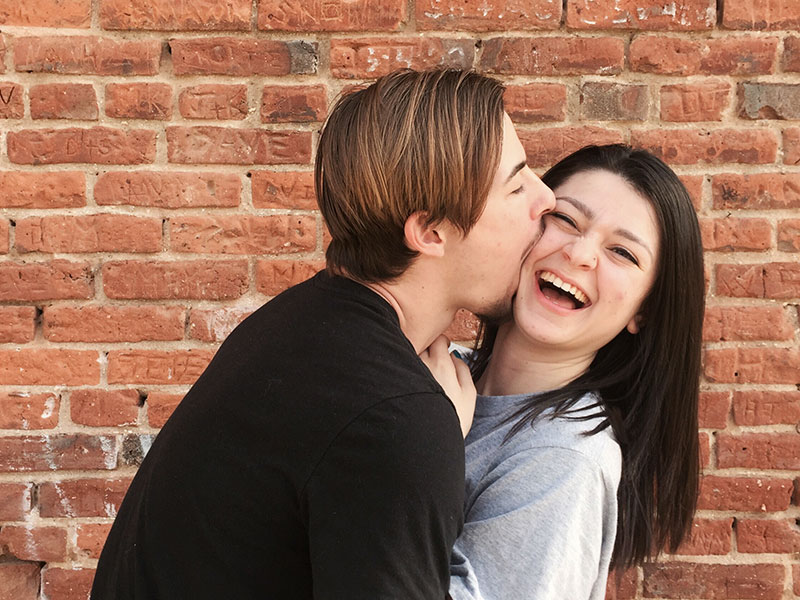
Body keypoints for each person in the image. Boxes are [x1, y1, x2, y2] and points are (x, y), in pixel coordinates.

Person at [90, 68, 555, 599]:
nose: (546, 201)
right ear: (430, 232)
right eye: (516, 185)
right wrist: (436, 433)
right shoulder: (396, 418)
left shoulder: (300, 323)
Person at [439, 144, 704, 600]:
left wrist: (433, 443)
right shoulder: (441, 369)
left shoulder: (565, 458)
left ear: (643, 311)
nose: (581, 254)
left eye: (622, 252)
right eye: (565, 220)